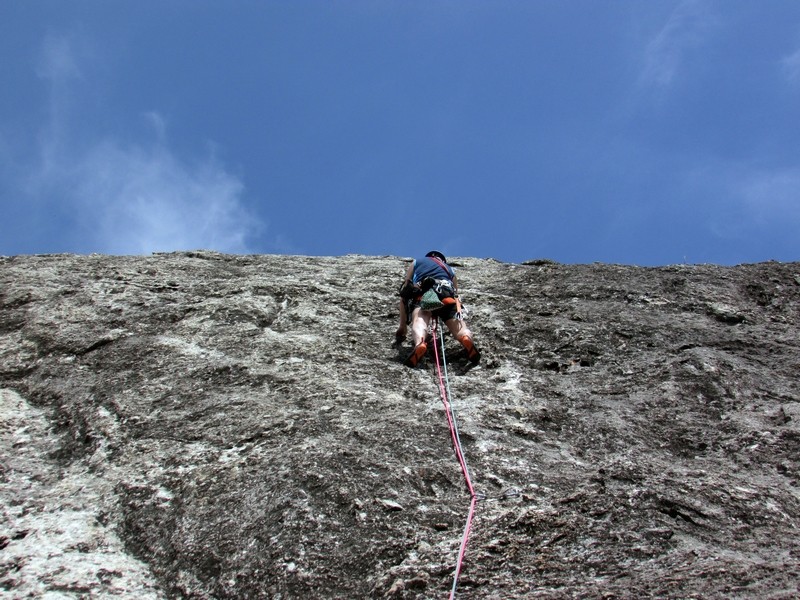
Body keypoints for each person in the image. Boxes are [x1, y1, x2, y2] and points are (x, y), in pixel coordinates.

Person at [396, 251, 481, 367]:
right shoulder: (449, 269)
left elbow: (407, 285)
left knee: (420, 319)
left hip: (426, 294)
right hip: (448, 297)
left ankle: (420, 343)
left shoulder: (417, 262)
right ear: (442, 260)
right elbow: (456, 292)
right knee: (459, 326)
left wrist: (402, 327)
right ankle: (465, 336)